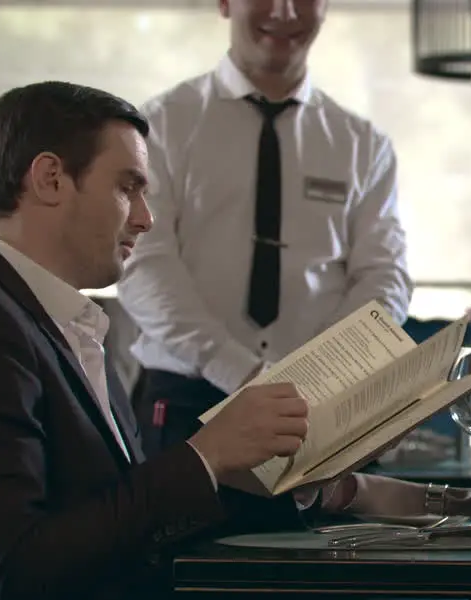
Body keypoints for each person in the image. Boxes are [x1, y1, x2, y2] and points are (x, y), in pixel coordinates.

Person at [0, 80, 468, 600]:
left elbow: (107, 509)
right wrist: (203, 458)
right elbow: (16, 572)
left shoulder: (52, 319)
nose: (144, 217)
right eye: (128, 186)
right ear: (51, 180)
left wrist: (327, 489)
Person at [118, 0, 413, 456]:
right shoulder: (160, 125)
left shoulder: (363, 144)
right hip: (185, 403)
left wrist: (327, 373)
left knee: (329, 532)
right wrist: (245, 374)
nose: (284, 10)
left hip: (320, 411)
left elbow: (384, 276)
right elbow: (143, 263)